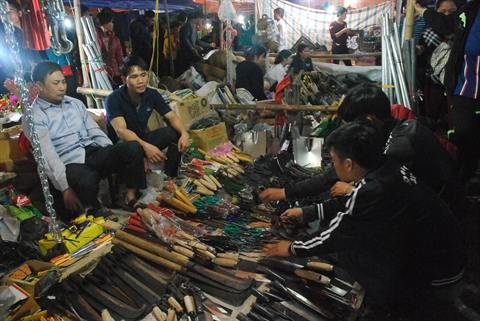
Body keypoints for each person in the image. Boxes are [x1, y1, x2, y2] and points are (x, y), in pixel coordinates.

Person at [265, 122, 465, 308]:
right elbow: (354, 205)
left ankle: (391, 306)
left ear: (349, 164)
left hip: (437, 273)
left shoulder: (374, 189)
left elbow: (338, 234)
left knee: (350, 253)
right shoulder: (386, 167)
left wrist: (293, 248)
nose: (332, 166)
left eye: (334, 161)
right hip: (449, 254)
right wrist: (307, 212)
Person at [259, 83, 454, 203]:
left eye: (351, 125)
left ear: (369, 121)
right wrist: (287, 192)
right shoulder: (391, 128)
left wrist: (353, 190)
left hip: (434, 225)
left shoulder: (399, 145)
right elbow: (334, 174)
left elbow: (380, 194)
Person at [24, 61, 146, 219]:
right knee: (87, 177)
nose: (62, 87)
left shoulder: (74, 103)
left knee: (132, 148)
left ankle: (129, 197)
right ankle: (95, 209)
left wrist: (110, 152)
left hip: (90, 151)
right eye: (56, 83)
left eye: (63, 81)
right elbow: (48, 156)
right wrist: (65, 188)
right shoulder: (34, 116)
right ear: (39, 86)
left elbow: (94, 131)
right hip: (67, 162)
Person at [416, 0, 480, 183]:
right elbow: (446, 23)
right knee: (462, 133)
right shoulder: (470, 10)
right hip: (464, 86)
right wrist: (421, 10)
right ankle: (463, 178)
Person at [104, 56, 189, 178]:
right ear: (124, 79)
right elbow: (121, 131)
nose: (140, 81)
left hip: (141, 139)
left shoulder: (151, 94)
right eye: (134, 77)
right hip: (121, 146)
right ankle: (131, 191)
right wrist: (147, 147)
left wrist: (184, 133)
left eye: (143, 75)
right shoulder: (113, 99)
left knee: (174, 133)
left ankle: (170, 175)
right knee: (134, 147)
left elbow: (171, 116)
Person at [96, 9, 124, 87]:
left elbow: (120, 57)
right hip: (100, 73)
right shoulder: (94, 38)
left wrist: (121, 71)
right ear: (105, 23)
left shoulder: (115, 39)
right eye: (111, 22)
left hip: (115, 73)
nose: (113, 24)